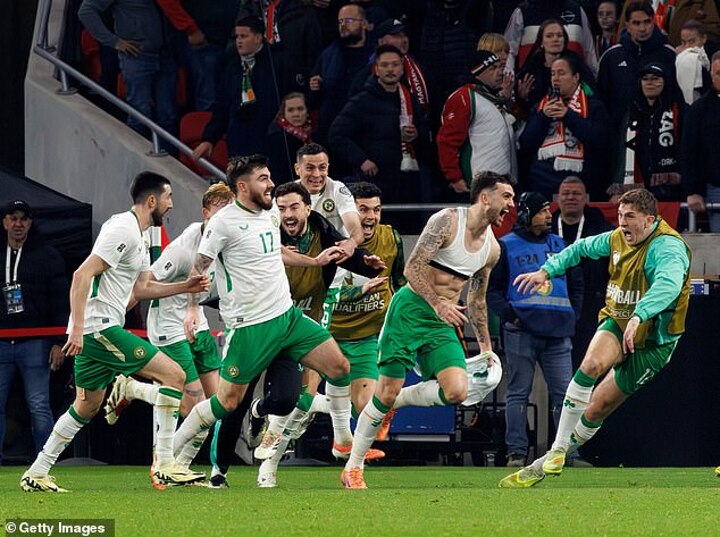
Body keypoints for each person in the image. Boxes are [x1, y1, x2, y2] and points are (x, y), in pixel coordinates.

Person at [20, 172, 211, 492]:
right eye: (169, 198)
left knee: (87, 406)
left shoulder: (141, 234)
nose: (171, 205)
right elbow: (81, 275)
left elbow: (143, 288)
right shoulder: (123, 228)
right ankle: (165, 464)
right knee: (175, 375)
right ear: (152, 201)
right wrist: (77, 329)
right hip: (99, 328)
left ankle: (37, 471)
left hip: (101, 328)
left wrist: (185, 286)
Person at [172, 155, 353, 483]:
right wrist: (192, 309)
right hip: (250, 327)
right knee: (227, 403)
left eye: (269, 177)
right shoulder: (223, 223)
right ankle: (170, 456)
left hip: (287, 317)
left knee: (339, 367)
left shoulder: (270, 213)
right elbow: (199, 267)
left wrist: (315, 262)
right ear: (243, 186)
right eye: (263, 179)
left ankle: (343, 441)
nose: (271, 184)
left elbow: (276, 252)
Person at [500, 188, 691, 488]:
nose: (622, 223)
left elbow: (668, 285)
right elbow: (580, 249)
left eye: (630, 216)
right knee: (590, 365)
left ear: (650, 219)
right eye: (620, 215)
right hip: (619, 321)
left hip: (655, 341)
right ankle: (558, 451)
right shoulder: (617, 238)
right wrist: (546, 271)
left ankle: (543, 461)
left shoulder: (667, 247)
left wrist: (641, 314)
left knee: (596, 409)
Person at [341, 170, 516, 489]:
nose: (511, 204)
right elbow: (412, 269)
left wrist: (487, 349)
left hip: (441, 321)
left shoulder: (492, 249)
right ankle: (353, 467)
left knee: (457, 391)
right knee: (384, 392)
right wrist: (438, 304)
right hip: (410, 311)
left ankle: (396, 402)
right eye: (506, 196)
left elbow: (476, 299)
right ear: (485, 197)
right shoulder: (447, 221)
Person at [209, 181, 384, 488]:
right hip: (255, 327)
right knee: (234, 402)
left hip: (293, 330)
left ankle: (267, 419)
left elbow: (343, 251)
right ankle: (218, 471)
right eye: (281, 208)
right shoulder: (264, 232)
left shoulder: (320, 229)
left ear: (307, 208)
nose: (287, 214)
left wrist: (367, 263)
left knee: (288, 399)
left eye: (293, 207)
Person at [102, 183, 235, 469]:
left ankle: (181, 467)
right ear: (205, 214)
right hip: (168, 329)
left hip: (198, 324)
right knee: (191, 407)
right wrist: (114, 319)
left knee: (217, 406)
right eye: (219, 213)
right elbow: (143, 287)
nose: (226, 220)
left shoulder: (228, 242)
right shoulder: (182, 250)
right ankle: (132, 389)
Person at [487, 192, 582, 467]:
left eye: (549, 211)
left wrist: (572, 315)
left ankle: (568, 454)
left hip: (558, 333)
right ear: (526, 215)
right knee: (518, 393)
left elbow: (577, 284)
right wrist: (512, 317)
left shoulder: (562, 245)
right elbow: (491, 292)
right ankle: (516, 453)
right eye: (542, 211)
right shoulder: (505, 246)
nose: (549, 216)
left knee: (566, 396)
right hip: (521, 332)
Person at [1, 201, 68, 465]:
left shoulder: (47, 256)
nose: (18, 224)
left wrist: (59, 341)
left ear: (30, 223)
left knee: (39, 404)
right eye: (13, 218)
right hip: (2, 342)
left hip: (36, 342)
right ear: (5, 222)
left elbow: (60, 301)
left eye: (23, 219)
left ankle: (45, 461)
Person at [329, 44, 432, 206]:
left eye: (395, 64)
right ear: (376, 69)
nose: (390, 69)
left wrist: (416, 134)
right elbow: (336, 135)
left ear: (402, 69)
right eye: (384, 65)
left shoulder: (409, 99)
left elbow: (426, 130)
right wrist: (362, 160)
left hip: (408, 181)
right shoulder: (362, 101)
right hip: (376, 182)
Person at [78, 0, 178, 148]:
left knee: (168, 115)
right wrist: (114, 42)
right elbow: (86, 11)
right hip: (137, 55)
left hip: (165, 52)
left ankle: (168, 156)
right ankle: (136, 153)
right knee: (140, 114)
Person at [191, 15, 281, 163]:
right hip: (239, 142)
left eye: (243, 36)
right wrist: (209, 139)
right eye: (237, 37)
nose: (238, 41)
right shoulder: (232, 67)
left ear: (258, 38)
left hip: (270, 143)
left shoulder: (277, 65)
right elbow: (222, 107)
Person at [520, 54, 608, 201]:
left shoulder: (593, 107)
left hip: (580, 187)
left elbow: (599, 141)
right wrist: (543, 117)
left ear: (576, 77)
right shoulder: (540, 107)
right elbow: (525, 144)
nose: (555, 78)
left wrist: (568, 115)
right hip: (542, 186)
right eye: (553, 74)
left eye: (561, 73)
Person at [551, 177, 613, 369]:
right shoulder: (545, 228)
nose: (571, 197)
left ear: (586, 198)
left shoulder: (603, 230)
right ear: (557, 198)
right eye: (566, 193)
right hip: (554, 302)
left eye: (576, 193)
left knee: (588, 362)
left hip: (591, 303)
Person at [437, 51, 518, 194]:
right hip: (479, 185)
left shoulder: (492, 98)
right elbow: (447, 142)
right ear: (477, 73)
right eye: (492, 68)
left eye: (500, 67)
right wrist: (455, 178)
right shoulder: (464, 96)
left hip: (503, 184)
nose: (500, 72)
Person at [597, 1, 678, 135]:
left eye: (647, 22)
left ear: (653, 22)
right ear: (627, 25)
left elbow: (676, 97)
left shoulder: (669, 55)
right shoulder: (611, 57)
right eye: (636, 23)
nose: (642, 28)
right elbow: (601, 100)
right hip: (620, 134)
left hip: (660, 133)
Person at [608, 62, 685, 202]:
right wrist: (620, 187)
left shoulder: (679, 111)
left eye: (655, 78)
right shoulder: (630, 113)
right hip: (638, 190)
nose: (650, 83)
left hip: (673, 190)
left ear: (665, 81)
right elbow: (619, 153)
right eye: (645, 79)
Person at [309, 3, 373, 146]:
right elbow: (313, 99)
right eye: (340, 22)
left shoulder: (375, 56)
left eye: (348, 20)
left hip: (366, 130)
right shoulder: (328, 55)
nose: (343, 25)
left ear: (364, 24)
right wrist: (315, 86)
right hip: (332, 130)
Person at [515, 19, 596, 115]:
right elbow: (524, 103)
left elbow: (591, 90)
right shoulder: (533, 65)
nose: (555, 39)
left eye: (559, 35)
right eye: (549, 36)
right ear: (541, 42)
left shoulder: (575, 61)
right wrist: (522, 97)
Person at [681, 51, 720, 232]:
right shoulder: (699, 110)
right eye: (719, 73)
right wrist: (692, 191)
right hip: (716, 188)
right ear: (711, 74)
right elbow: (689, 152)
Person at [503, 0, 598, 74]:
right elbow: (509, 50)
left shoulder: (576, 9)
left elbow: (589, 51)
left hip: (573, 83)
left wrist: (594, 77)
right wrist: (509, 79)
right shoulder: (523, 11)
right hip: (533, 84)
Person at [267, 93, 315, 186]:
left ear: (307, 111)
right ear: (283, 113)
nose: (296, 114)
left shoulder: (314, 132)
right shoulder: (278, 138)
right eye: (290, 110)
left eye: (300, 109)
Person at [675, 20, 711, 104]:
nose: (687, 47)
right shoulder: (678, 59)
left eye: (691, 42)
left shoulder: (712, 58)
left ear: (703, 39)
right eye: (683, 42)